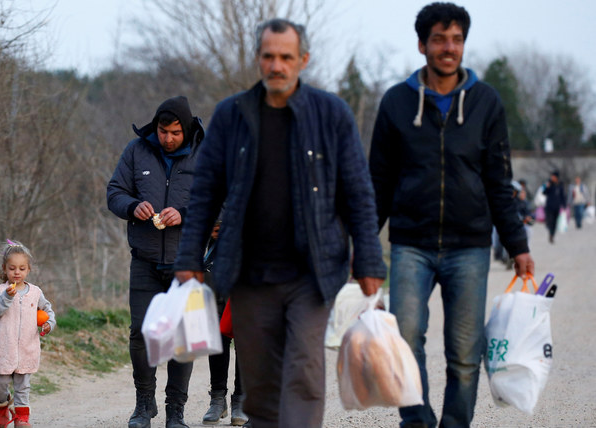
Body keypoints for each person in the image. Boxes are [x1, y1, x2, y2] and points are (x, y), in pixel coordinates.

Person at [173, 18, 387, 428]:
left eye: (286, 57)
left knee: (305, 373)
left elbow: (358, 193)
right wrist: (189, 257)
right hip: (250, 275)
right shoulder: (231, 114)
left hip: (312, 272)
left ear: (302, 60)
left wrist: (370, 261)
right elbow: (204, 193)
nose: (277, 65)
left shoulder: (332, 115)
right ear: (258, 59)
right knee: (263, 385)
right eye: (269, 56)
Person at [368, 3, 534, 427]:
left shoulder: (486, 103)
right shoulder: (396, 103)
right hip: (410, 244)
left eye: (457, 39)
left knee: (464, 353)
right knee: (406, 339)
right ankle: (417, 421)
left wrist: (518, 245)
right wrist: (365, 245)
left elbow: (500, 179)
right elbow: (378, 182)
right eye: (440, 39)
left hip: (470, 247)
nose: (449, 48)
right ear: (422, 44)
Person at [107, 96, 204, 428]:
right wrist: (133, 206)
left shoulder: (205, 153)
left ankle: (175, 411)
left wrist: (186, 214)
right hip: (145, 260)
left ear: (186, 129)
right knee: (141, 333)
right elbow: (115, 192)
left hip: (187, 263)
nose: (168, 139)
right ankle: (143, 404)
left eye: (175, 132)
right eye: (163, 132)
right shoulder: (137, 150)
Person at [0, 239, 56, 428]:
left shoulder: (35, 292)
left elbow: (48, 310)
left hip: (27, 348)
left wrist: (49, 323)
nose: (16, 272)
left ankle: (21, 419)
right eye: (12, 268)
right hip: (4, 348)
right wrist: (7, 297)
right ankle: (2, 406)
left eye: (21, 268)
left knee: (23, 387)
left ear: (28, 270)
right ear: (4, 269)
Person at [201, 220, 248, 426]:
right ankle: (217, 399)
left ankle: (241, 400)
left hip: (249, 265)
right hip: (216, 268)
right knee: (217, 335)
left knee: (245, 337)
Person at [543, 170, 566, 243]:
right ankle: (549, 230)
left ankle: (552, 235)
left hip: (557, 206)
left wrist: (564, 205)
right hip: (549, 206)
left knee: (555, 222)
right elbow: (544, 193)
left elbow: (562, 195)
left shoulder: (560, 184)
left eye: (553, 176)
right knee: (550, 221)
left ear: (556, 177)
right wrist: (548, 187)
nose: (552, 177)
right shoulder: (549, 183)